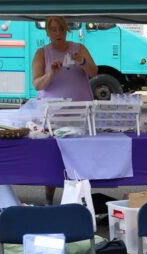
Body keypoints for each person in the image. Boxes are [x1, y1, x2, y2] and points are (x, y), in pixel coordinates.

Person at [31, 16, 98, 205]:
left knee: (81, 156)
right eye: (53, 29)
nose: (58, 33)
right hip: (53, 116)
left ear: (66, 30)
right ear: (47, 32)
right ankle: (49, 200)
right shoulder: (42, 53)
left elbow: (94, 72)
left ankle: (81, 200)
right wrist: (51, 73)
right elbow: (37, 84)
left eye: (61, 29)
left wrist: (82, 61)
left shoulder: (79, 48)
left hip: (80, 113)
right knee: (52, 157)